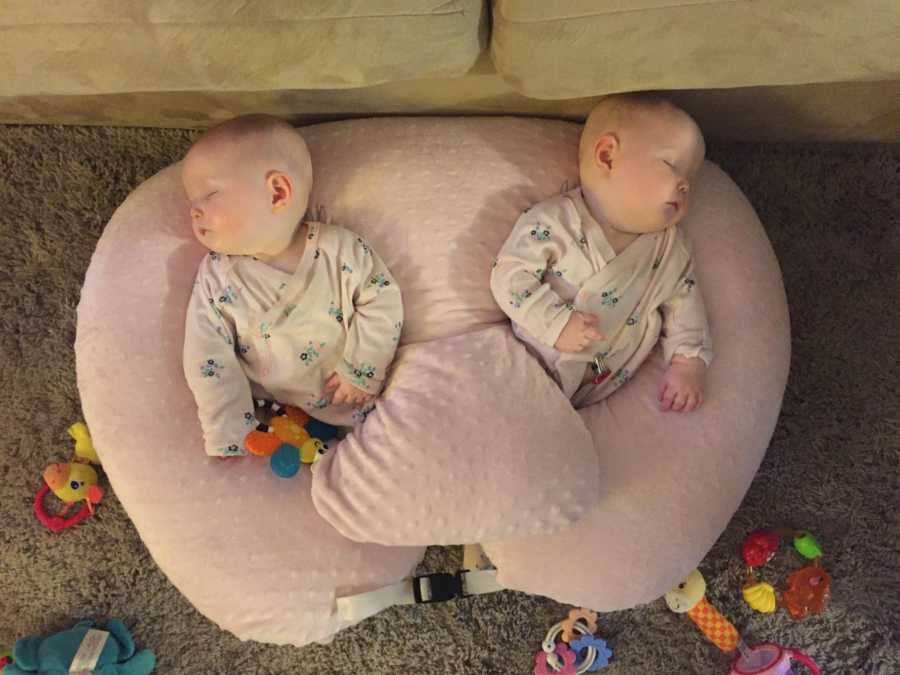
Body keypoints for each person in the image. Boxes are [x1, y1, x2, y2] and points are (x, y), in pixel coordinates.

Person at [182, 114, 403, 456]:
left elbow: (382, 300)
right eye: (191, 203)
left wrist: (362, 368)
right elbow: (206, 355)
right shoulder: (216, 277)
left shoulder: (339, 251)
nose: (194, 212)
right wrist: (229, 430)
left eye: (208, 195)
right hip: (280, 420)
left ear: (277, 192)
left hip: (368, 396)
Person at [491, 94, 712, 412]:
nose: (685, 185)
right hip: (530, 366)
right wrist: (555, 323)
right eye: (672, 165)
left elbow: (687, 305)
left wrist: (688, 362)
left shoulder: (669, 250)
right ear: (608, 157)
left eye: (691, 177)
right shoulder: (556, 221)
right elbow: (508, 275)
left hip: (604, 385)